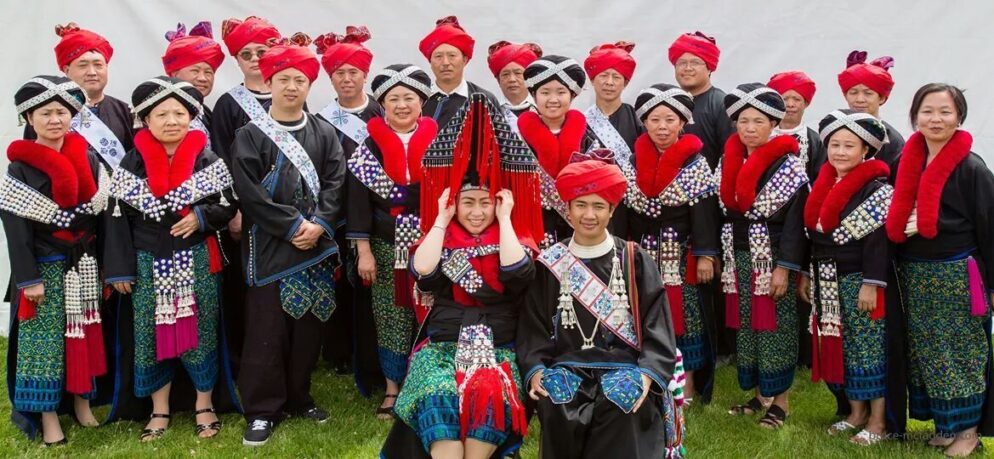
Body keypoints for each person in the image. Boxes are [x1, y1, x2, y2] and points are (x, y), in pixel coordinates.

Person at [383, 93, 544, 459]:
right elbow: (422, 272)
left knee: (486, 395)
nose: (475, 212)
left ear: (497, 203)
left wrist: (504, 218)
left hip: (498, 349)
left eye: (484, 203)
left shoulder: (515, 238)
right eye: (468, 202)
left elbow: (518, 273)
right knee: (438, 397)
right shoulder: (441, 237)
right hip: (442, 347)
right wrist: (441, 217)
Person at [518, 158, 684, 458]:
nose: (589, 215)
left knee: (624, 404)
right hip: (567, 365)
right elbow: (533, 326)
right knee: (558, 400)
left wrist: (647, 374)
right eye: (580, 205)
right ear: (567, 210)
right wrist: (537, 370)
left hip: (625, 365)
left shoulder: (634, 258)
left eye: (598, 206)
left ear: (612, 210)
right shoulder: (550, 264)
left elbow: (657, 324)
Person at [229, 34, 346, 446]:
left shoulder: (324, 132)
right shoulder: (250, 134)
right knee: (267, 331)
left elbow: (335, 183)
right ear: (271, 82)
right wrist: (293, 226)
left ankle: (299, 397)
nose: (292, 87)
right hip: (269, 247)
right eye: (284, 79)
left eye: (299, 79)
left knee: (306, 329)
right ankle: (262, 409)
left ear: (309, 85)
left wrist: (320, 225)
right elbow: (250, 192)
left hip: (314, 248)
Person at [105, 77, 237, 442]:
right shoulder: (131, 165)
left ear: (191, 118)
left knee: (201, 331)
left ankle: (204, 404)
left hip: (196, 259)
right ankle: (159, 409)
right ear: (146, 120)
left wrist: (200, 217)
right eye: (161, 114)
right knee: (150, 333)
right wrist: (119, 268)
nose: (172, 121)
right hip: (148, 262)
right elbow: (115, 219)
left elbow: (227, 205)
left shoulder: (207, 160)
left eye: (180, 113)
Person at [886, 84, 994, 457]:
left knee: (962, 350)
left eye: (945, 112)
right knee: (928, 351)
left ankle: (968, 431)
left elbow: (988, 227)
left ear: (959, 117)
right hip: (916, 273)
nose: (936, 119)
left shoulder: (972, 167)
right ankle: (946, 426)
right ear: (915, 115)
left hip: (956, 274)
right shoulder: (906, 160)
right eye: (928, 111)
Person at [2, 75, 111, 445]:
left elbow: (101, 216)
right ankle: (48, 416)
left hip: (84, 263)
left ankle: (82, 403)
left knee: (84, 334)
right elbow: (16, 229)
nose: (54, 120)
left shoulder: (90, 158)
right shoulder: (20, 168)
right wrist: (27, 278)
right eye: (45, 113)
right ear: (29, 119)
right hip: (45, 266)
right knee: (44, 343)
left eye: (61, 112)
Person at [345, 64, 438, 419]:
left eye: (409, 98)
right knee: (390, 313)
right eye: (393, 99)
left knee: (432, 310)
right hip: (386, 245)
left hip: (433, 242)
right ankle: (393, 387)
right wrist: (363, 251)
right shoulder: (368, 148)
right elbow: (357, 203)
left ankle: (428, 381)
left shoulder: (440, 142)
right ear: (382, 104)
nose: (401, 105)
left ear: (421, 103)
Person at [801, 109, 895, 445]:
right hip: (826, 275)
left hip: (859, 279)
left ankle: (879, 421)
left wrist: (872, 283)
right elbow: (813, 235)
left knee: (868, 347)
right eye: (834, 145)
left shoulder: (876, 189)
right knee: (842, 345)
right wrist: (807, 275)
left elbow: (877, 244)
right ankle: (855, 413)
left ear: (866, 150)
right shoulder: (823, 182)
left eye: (849, 146)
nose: (840, 152)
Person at [720, 83, 807, 429]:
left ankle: (781, 403)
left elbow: (794, 226)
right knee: (748, 328)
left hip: (771, 260)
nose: (750, 128)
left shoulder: (789, 165)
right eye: (743, 121)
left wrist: (784, 268)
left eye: (758, 121)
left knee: (776, 328)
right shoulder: (729, 160)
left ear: (773, 124)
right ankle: (759, 395)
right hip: (737, 258)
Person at [626, 83, 718, 404]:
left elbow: (704, 214)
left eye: (670, 120)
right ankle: (650, 375)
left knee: (687, 315)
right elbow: (626, 212)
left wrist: (706, 254)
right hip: (642, 252)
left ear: (682, 122)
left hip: (681, 254)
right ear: (644, 123)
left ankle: (689, 382)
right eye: (654, 120)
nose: (662, 127)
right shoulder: (632, 159)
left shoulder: (695, 163)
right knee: (646, 313)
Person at [313, 25, 385, 390]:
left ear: (364, 75)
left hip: (375, 213)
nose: (346, 79)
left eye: (352, 72)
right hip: (335, 212)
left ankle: (371, 351)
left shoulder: (383, 111)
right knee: (338, 284)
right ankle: (339, 351)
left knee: (371, 285)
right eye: (339, 73)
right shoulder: (321, 119)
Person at [668, 31, 736, 365]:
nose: (688, 68)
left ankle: (721, 346)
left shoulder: (719, 103)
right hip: (676, 206)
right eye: (682, 63)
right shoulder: (672, 103)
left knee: (714, 275)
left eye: (695, 62)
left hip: (712, 203)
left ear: (709, 67)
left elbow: (731, 154)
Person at [517, 55, 600, 248]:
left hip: (579, 228)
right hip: (534, 227)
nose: (553, 100)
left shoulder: (589, 139)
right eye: (545, 92)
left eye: (561, 92)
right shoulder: (517, 140)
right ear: (534, 95)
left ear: (572, 95)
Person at [28, 24, 136, 171]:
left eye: (98, 65)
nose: (92, 72)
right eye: (83, 65)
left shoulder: (125, 111)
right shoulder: (44, 111)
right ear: (67, 70)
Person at [583, 41, 642, 238]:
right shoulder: (581, 122)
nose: (609, 82)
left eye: (616, 77)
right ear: (592, 80)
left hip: (629, 205)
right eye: (603, 76)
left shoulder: (638, 121)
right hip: (592, 205)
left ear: (625, 82)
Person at [418, 15, 499, 128]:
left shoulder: (484, 100)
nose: (445, 62)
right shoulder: (418, 100)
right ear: (430, 61)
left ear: (464, 60)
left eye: (452, 55)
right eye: (438, 56)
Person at [161, 21, 225, 150]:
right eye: (195, 71)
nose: (202, 78)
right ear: (174, 74)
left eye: (208, 72)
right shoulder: (163, 109)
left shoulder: (204, 112)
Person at [838, 50, 904, 174]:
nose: (860, 99)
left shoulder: (893, 140)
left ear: (882, 98)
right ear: (845, 95)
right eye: (853, 93)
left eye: (868, 93)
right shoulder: (835, 131)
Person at [768, 71, 826, 182]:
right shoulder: (762, 135)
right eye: (785, 99)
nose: (790, 104)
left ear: (806, 103)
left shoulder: (816, 142)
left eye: (796, 99)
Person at [486, 40, 542, 134]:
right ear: (498, 80)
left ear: (530, 78)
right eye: (505, 74)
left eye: (518, 73)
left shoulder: (545, 110)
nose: (512, 79)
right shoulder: (489, 112)